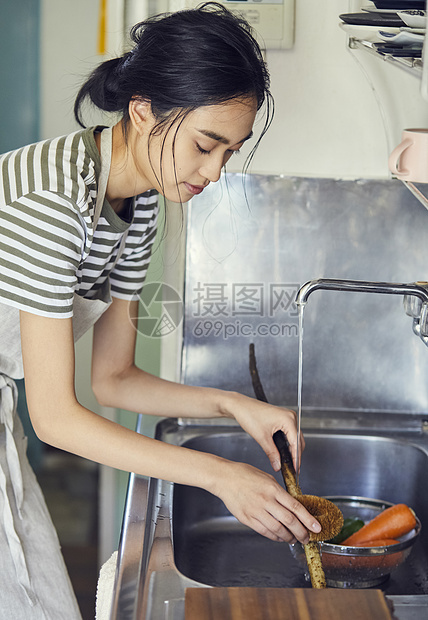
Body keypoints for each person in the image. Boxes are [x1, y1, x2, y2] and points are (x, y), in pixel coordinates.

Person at [0, 4, 321, 617]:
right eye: (206, 145)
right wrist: (217, 473)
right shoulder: (53, 201)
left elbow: (112, 379)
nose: (214, 172)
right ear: (143, 109)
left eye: (229, 152)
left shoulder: (142, 201)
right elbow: (56, 419)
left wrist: (233, 406)